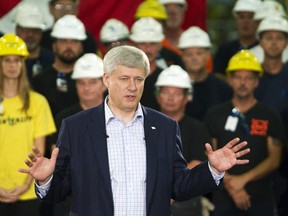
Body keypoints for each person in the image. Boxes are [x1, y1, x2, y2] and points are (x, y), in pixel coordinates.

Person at [19, 45, 250, 216]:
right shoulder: (76, 126)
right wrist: (46, 180)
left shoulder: (165, 127)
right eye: (124, 79)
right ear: (107, 79)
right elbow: (61, 191)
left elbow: (178, 186)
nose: (132, 87)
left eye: (139, 79)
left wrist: (212, 170)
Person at [203, 50, 285, 216]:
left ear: (256, 82)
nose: (243, 83)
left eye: (248, 78)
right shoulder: (214, 114)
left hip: (261, 199)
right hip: (223, 199)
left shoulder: (269, 114)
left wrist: (243, 179)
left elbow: (275, 159)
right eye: (238, 78)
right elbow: (209, 153)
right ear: (229, 80)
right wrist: (233, 187)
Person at [0, 33, 56, 216]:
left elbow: (38, 153)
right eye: (7, 60)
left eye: (17, 60)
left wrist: (24, 186)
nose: (12, 65)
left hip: (28, 193)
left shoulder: (37, 102)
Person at [155, 65, 214, 216]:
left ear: (187, 98)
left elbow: (197, 162)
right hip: (149, 193)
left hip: (185, 199)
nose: (170, 98)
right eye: (166, 92)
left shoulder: (198, 128)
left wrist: (169, 189)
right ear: (158, 96)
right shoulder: (144, 124)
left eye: (177, 93)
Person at [51, 53, 106, 216]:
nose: (86, 88)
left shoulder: (118, 116)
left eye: (92, 82)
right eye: (81, 83)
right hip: (71, 198)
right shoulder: (64, 118)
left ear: (104, 84)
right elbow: (58, 161)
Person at [32, 14, 86, 118]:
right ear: (54, 46)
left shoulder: (90, 82)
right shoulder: (39, 82)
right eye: (63, 41)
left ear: (81, 47)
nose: (69, 46)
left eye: (74, 41)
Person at [178, 26, 233, 120]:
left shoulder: (223, 89)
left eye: (199, 53)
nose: (194, 58)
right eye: (189, 54)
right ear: (182, 56)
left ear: (208, 55)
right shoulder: (174, 87)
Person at [213, 0, 261, 77]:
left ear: (259, 21)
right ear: (236, 20)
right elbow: (217, 78)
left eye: (250, 17)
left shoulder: (266, 51)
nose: (245, 21)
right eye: (242, 17)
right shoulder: (224, 51)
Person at [14, 2, 55, 83]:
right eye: (26, 30)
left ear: (41, 33)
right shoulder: (7, 60)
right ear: (17, 30)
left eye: (35, 30)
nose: (30, 35)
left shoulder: (51, 60)